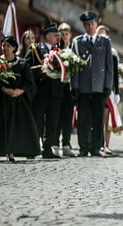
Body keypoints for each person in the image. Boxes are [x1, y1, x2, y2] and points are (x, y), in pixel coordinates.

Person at [71, 11, 114, 157]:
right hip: (83, 88)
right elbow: (74, 67)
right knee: (83, 119)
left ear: (96, 24)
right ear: (83, 26)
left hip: (99, 87)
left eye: (92, 23)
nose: (89, 26)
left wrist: (108, 85)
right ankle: (83, 147)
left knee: (97, 119)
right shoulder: (77, 42)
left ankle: (96, 148)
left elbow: (109, 66)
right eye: (86, 24)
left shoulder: (105, 41)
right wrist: (74, 86)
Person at [0, 36, 41, 161]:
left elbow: (29, 82)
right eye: (3, 45)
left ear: (14, 48)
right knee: (0, 125)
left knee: (19, 126)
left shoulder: (22, 64)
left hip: (18, 101)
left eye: (8, 46)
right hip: (1, 100)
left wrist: (20, 91)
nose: (5, 48)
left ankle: (18, 151)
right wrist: (4, 89)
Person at [25, 24, 64, 159]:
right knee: (37, 121)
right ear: (47, 36)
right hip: (40, 92)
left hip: (55, 92)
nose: (57, 38)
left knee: (52, 122)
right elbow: (26, 68)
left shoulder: (60, 51)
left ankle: (47, 148)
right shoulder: (35, 49)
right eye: (55, 35)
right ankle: (32, 148)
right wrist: (41, 71)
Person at [97, 25, 121, 155]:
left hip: (107, 90)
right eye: (99, 34)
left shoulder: (112, 53)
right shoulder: (93, 49)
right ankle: (98, 144)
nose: (102, 36)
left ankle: (106, 144)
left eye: (104, 34)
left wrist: (116, 91)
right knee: (97, 118)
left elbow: (115, 74)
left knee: (106, 118)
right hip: (95, 89)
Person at [56, 23, 77, 157]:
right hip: (58, 88)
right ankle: (55, 144)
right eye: (61, 34)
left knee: (68, 117)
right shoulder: (55, 50)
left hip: (70, 88)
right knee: (56, 117)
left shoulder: (74, 49)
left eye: (66, 34)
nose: (64, 37)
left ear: (70, 35)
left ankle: (66, 144)